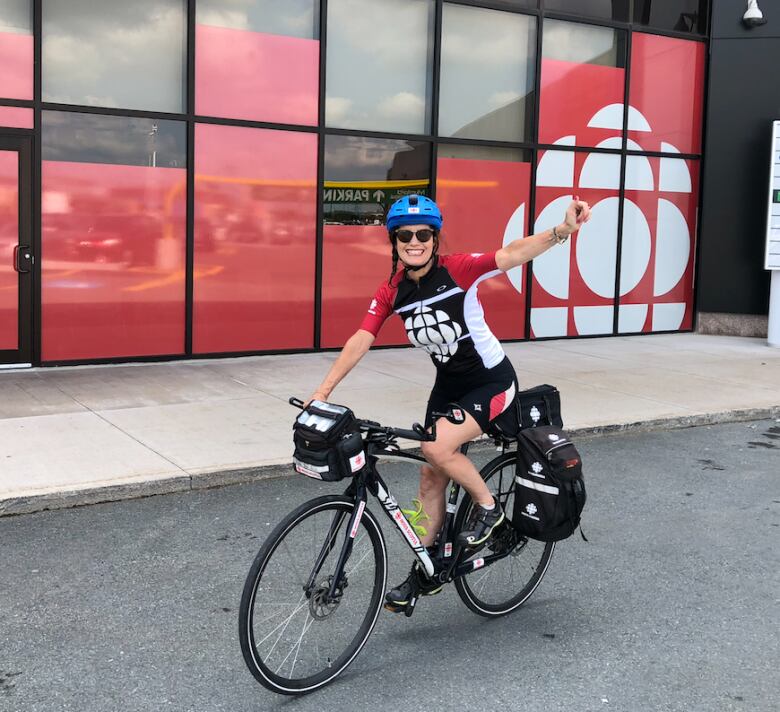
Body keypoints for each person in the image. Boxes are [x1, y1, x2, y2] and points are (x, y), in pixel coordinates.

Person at [308, 193, 590, 611]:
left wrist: (562, 231)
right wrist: (323, 392)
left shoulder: (458, 269)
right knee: (430, 476)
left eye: (423, 233)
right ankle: (428, 570)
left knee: (436, 447)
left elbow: (512, 253)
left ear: (435, 238)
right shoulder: (392, 291)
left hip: (490, 380)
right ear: (395, 241)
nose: (414, 241)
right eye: (405, 235)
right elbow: (361, 339)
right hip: (448, 386)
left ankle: (489, 509)